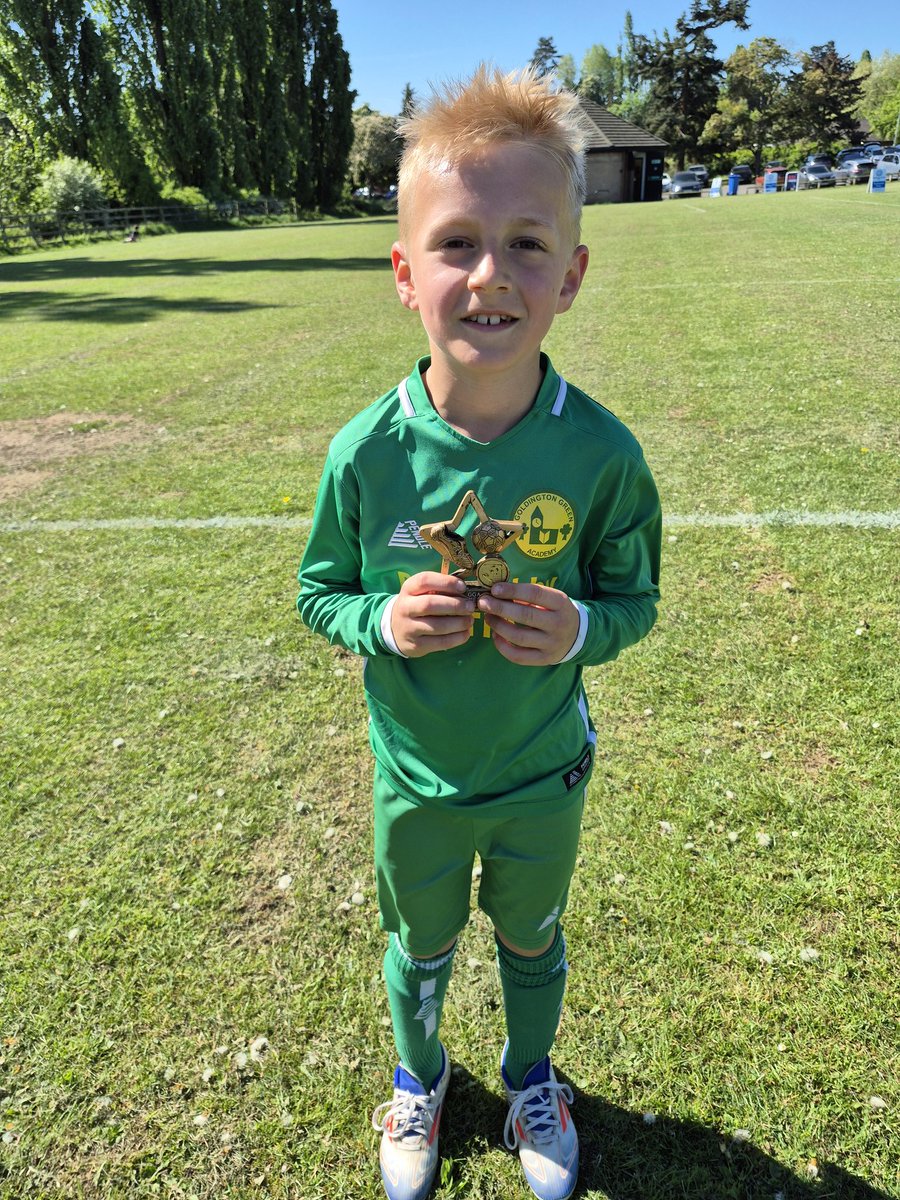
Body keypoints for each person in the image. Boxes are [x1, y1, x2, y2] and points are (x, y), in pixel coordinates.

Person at [297, 65, 661, 1200]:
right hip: (415, 777)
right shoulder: (367, 454)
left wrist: (577, 632)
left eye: (527, 244)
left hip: (542, 773)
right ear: (406, 274)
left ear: (574, 276)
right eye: (456, 243)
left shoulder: (602, 456)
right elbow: (320, 593)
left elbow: (632, 601)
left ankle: (530, 1075)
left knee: (532, 940)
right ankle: (421, 1075)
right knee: (420, 946)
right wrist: (383, 622)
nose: (491, 274)